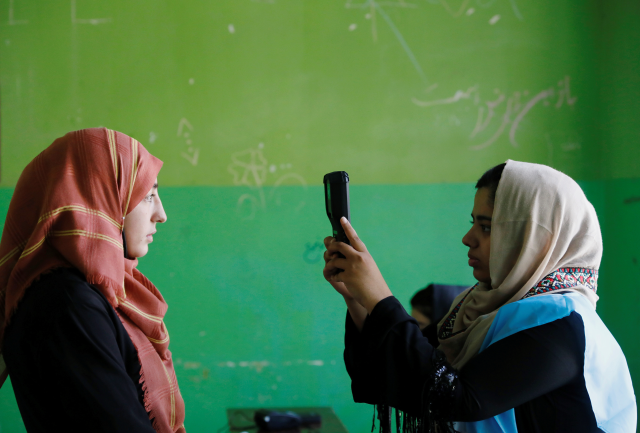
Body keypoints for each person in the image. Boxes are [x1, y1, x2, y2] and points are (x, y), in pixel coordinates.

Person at [323, 160, 636, 432]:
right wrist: (359, 300)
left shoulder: (561, 321)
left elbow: (456, 399)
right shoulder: (480, 309)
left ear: (537, 238)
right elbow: (408, 368)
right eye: (473, 223)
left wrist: (380, 297)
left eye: (487, 227)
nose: (467, 238)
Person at [0, 128, 186, 432]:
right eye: (148, 195)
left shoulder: (84, 293)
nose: (161, 214)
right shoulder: (66, 303)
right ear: (99, 199)